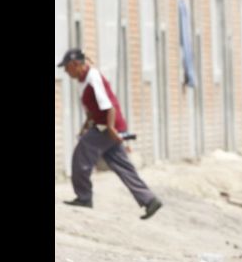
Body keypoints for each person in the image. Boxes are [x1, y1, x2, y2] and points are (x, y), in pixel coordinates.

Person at [58, 48, 163, 219]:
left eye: (67, 67)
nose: (65, 71)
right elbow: (92, 110)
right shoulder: (82, 81)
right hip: (104, 125)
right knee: (122, 165)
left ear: (75, 64)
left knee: (81, 155)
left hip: (106, 126)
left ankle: (84, 198)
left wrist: (112, 129)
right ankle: (150, 200)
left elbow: (109, 106)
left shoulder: (92, 77)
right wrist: (85, 126)